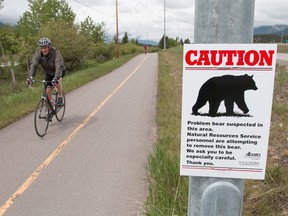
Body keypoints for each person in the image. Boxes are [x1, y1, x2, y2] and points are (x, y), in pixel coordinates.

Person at [27, 37, 65, 106]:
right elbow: (34, 64)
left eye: (45, 47)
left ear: (49, 47)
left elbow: (58, 65)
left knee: (57, 82)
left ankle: (60, 97)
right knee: (48, 90)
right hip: (49, 72)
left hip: (59, 71)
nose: (43, 50)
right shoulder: (38, 54)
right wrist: (31, 77)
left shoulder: (56, 52)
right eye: (42, 48)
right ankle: (51, 103)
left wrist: (56, 77)